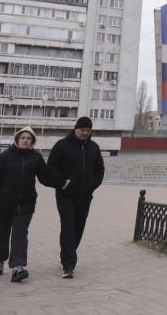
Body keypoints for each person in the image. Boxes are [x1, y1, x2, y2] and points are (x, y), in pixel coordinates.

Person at [0, 127, 67, 282]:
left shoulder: (36, 157)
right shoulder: (5, 156)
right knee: (2, 232)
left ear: (32, 141)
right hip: (5, 202)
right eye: (23, 137)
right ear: (17, 139)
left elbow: (45, 178)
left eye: (29, 138)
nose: (25, 140)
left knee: (20, 233)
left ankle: (18, 267)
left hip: (26, 202)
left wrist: (62, 183)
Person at [47, 116, 104, 279]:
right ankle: (68, 265)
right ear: (75, 129)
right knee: (68, 227)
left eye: (88, 130)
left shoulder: (94, 147)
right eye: (82, 130)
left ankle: (67, 254)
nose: (85, 133)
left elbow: (100, 168)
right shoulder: (61, 145)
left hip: (85, 196)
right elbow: (52, 167)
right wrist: (61, 183)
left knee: (78, 228)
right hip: (65, 195)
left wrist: (94, 184)